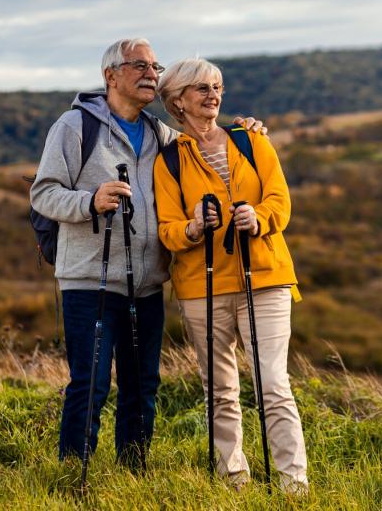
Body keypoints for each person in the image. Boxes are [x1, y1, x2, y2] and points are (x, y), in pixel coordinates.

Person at [30, 39, 264, 470]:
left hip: (147, 283)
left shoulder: (160, 134)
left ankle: (133, 473)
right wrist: (89, 200)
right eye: (139, 65)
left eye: (154, 65)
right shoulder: (74, 127)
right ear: (111, 75)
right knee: (91, 384)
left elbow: (204, 139)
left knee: (142, 386)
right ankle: (71, 472)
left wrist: (242, 131)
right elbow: (43, 192)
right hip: (89, 279)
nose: (151, 74)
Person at [154, 58, 308, 494]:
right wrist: (194, 228)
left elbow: (280, 201)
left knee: (273, 384)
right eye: (201, 88)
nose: (213, 95)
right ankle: (232, 480)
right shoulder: (169, 159)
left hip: (265, 276)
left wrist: (257, 218)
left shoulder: (252, 141)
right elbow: (167, 228)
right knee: (219, 389)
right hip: (202, 285)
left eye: (217, 86)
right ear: (177, 99)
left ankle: (293, 485)